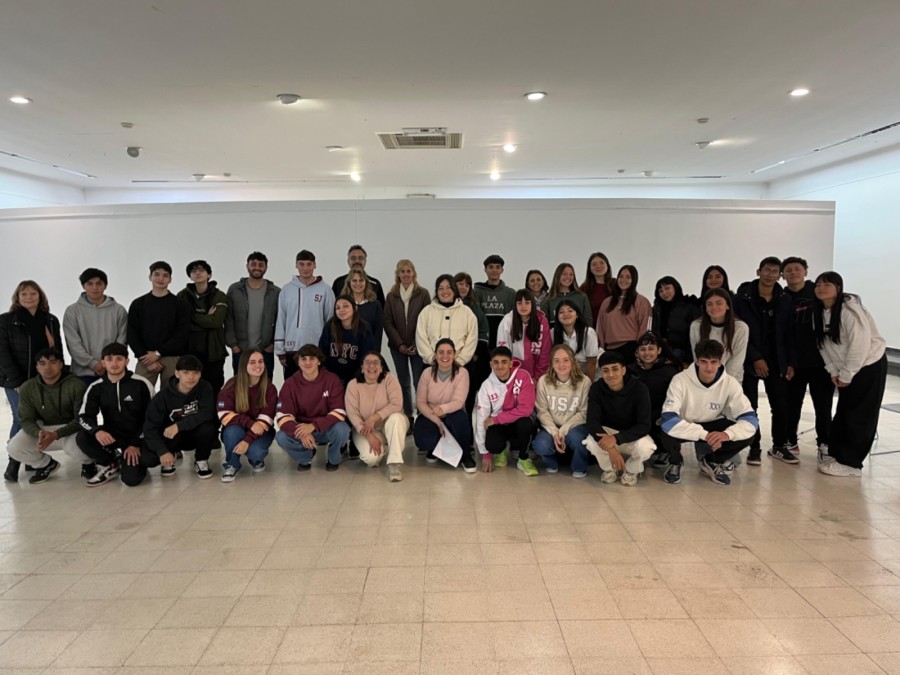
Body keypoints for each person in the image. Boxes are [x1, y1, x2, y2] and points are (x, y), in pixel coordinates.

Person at [813, 272, 887, 477]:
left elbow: (859, 346)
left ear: (838, 287)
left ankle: (851, 464)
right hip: (846, 369)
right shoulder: (820, 311)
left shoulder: (849, 310)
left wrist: (846, 374)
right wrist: (833, 371)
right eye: (818, 284)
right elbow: (823, 345)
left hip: (867, 366)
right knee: (845, 412)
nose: (821, 288)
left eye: (827, 284)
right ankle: (839, 455)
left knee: (860, 415)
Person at [660, 339, 759, 486]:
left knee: (749, 434)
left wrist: (727, 434)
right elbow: (668, 418)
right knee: (664, 429)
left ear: (720, 362)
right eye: (704, 361)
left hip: (712, 424)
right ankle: (676, 462)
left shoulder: (730, 383)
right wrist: (704, 435)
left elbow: (750, 418)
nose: (709, 367)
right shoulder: (680, 379)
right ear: (697, 361)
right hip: (686, 423)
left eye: (713, 362)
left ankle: (712, 460)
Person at [733, 257, 796, 466]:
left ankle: (778, 445)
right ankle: (754, 446)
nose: (770, 275)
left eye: (775, 272)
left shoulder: (785, 300)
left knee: (780, 405)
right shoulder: (742, 299)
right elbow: (738, 333)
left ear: (780, 275)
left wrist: (790, 362)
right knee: (749, 406)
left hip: (777, 361)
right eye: (766, 270)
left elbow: (789, 334)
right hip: (749, 361)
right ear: (758, 271)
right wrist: (755, 358)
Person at [0, 280, 63, 481]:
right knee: (21, 418)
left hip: (43, 379)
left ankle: (32, 459)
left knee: (39, 419)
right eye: (24, 294)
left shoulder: (50, 320)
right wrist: (17, 380)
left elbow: (57, 352)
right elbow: (3, 353)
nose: (29, 297)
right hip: (15, 380)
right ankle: (13, 461)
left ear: (40, 296)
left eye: (33, 294)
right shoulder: (6, 320)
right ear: (17, 298)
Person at [123, 354, 218, 485]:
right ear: (177, 374)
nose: (191, 377)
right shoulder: (163, 397)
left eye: (195, 373)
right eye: (186, 372)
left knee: (208, 427)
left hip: (194, 434)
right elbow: (150, 427)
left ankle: (201, 460)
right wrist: (163, 452)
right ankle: (170, 457)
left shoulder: (205, 388)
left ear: (200, 374)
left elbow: (207, 413)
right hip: (171, 438)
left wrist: (179, 426)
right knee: (148, 459)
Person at [6, 348, 90, 484]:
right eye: (42, 363)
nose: (48, 367)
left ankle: (89, 463)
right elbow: (26, 419)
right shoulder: (28, 387)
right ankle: (45, 464)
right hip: (43, 429)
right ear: (37, 367)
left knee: (77, 448)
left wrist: (56, 434)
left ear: (61, 364)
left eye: (52, 362)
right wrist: (37, 432)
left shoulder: (76, 385)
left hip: (70, 430)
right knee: (14, 447)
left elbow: (81, 419)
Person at [76, 342, 154, 487]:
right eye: (109, 359)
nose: (114, 363)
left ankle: (133, 462)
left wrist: (135, 443)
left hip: (139, 438)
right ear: (103, 363)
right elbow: (83, 417)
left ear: (127, 361)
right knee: (83, 437)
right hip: (113, 436)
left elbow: (153, 419)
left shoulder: (141, 384)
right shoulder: (96, 387)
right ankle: (111, 464)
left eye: (119, 359)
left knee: (132, 479)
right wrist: (97, 431)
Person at [782, 256, 833, 458]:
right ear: (783, 275)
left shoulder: (817, 293)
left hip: (822, 362)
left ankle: (824, 444)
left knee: (823, 406)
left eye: (797, 269)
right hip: (795, 363)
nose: (793, 273)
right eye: (789, 270)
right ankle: (790, 441)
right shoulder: (782, 297)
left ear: (806, 271)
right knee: (792, 405)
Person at [581, 350, 655, 486]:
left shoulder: (639, 388)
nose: (611, 375)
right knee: (591, 442)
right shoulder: (597, 389)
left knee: (646, 447)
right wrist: (611, 449)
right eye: (605, 371)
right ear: (601, 373)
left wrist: (616, 439)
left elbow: (644, 425)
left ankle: (632, 470)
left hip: (631, 434)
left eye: (615, 369)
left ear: (623, 370)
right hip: (607, 432)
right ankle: (610, 469)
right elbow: (592, 422)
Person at [274, 344, 351, 472]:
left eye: (312, 358)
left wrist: (313, 426)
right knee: (281, 436)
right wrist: (301, 432)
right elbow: (282, 416)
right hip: (301, 428)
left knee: (342, 429)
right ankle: (305, 456)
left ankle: (333, 459)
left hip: (325, 428)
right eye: (303, 359)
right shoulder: (290, 384)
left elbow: (339, 412)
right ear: (298, 362)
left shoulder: (331, 380)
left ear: (319, 361)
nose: (308, 362)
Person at [414, 338, 477, 473]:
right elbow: (420, 402)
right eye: (441, 352)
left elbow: (459, 401)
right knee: (422, 440)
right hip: (432, 414)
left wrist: (443, 408)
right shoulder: (427, 373)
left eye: (449, 352)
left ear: (454, 355)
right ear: (435, 355)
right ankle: (434, 449)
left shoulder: (462, 373)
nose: (445, 356)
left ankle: (465, 454)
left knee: (461, 421)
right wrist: (437, 421)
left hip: (453, 412)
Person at [345, 351, 409, 481]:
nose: (371, 366)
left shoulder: (389, 379)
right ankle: (387, 447)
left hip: (389, 424)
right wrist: (369, 435)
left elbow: (397, 404)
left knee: (396, 418)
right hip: (366, 429)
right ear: (362, 368)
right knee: (371, 460)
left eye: (376, 363)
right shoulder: (353, 385)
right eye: (367, 363)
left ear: (381, 368)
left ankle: (394, 464)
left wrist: (374, 417)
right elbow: (352, 414)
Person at [126, 261, 191, 388]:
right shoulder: (138, 304)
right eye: (156, 274)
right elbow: (132, 333)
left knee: (172, 396)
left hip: (172, 357)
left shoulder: (180, 305)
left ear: (170, 279)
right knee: (139, 394)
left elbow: (182, 335)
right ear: (150, 277)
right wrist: (144, 357)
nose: (160, 279)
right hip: (145, 358)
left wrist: (158, 353)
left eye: (165, 275)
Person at [218, 349, 277, 482]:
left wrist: (247, 441)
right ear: (244, 365)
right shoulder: (231, 385)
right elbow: (224, 415)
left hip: (261, 431)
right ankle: (232, 464)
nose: (258, 366)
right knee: (232, 431)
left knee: (256, 452)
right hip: (237, 428)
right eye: (252, 362)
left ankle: (255, 460)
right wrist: (250, 423)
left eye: (260, 361)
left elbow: (267, 419)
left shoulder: (269, 388)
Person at [383, 259, 431, 427]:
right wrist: (400, 345)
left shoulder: (423, 294)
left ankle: (422, 415)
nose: (405, 274)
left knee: (419, 382)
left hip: (418, 347)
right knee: (403, 382)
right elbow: (387, 322)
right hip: (398, 347)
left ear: (413, 273)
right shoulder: (391, 296)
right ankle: (409, 416)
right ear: (398, 274)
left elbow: (427, 321)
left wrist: (418, 344)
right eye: (402, 271)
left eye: (408, 271)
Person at [475, 346, 536, 475]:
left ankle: (523, 459)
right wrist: (485, 454)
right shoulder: (486, 385)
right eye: (496, 362)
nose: (500, 366)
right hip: (500, 424)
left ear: (510, 363)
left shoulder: (523, 376)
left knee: (526, 424)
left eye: (504, 362)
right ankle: (500, 450)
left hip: (517, 421)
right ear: (491, 364)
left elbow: (526, 409)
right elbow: (481, 418)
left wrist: (496, 419)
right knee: (492, 445)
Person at [274, 250, 335, 379]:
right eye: (301, 264)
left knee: (316, 389)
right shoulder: (287, 290)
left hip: (317, 349)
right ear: (296, 265)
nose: (305, 268)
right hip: (293, 348)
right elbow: (281, 319)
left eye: (309, 264)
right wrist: (280, 350)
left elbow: (331, 321)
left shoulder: (325, 290)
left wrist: (329, 348)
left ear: (315, 265)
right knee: (292, 389)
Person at [532, 344, 591, 477]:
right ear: (551, 363)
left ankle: (579, 467)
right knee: (541, 444)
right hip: (551, 427)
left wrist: (563, 430)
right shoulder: (543, 381)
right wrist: (554, 432)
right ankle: (551, 463)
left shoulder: (584, 381)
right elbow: (542, 411)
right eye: (556, 361)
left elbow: (584, 412)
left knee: (577, 439)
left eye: (566, 360)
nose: (561, 365)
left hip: (574, 426)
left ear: (572, 361)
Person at [63, 268, 128, 386]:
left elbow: (121, 340)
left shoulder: (119, 310)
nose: (95, 287)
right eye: (90, 284)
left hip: (112, 372)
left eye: (99, 283)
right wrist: (92, 364)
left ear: (105, 286)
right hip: (82, 374)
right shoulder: (72, 311)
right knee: (83, 405)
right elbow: (73, 343)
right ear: (83, 286)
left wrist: (108, 363)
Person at [627, 332, 680, 468]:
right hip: (637, 413)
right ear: (637, 352)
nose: (647, 353)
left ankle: (665, 451)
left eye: (651, 348)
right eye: (643, 349)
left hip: (660, 414)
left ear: (659, 350)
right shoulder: (630, 371)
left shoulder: (669, 371)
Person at [225, 251, 280, 380]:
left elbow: (280, 320)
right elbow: (228, 318)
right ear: (247, 266)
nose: (257, 267)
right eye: (253, 264)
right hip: (241, 349)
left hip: (265, 349)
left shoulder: (275, 292)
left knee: (265, 386)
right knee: (240, 385)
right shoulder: (235, 290)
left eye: (261, 265)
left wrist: (272, 345)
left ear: (266, 268)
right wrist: (233, 345)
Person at [177, 260, 229, 397]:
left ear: (209, 275)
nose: (198, 273)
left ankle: (213, 417)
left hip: (213, 352)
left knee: (214, 388)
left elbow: (216, 322)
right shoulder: (182, 296)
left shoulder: (220, 295)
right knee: (190, 390)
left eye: (201, 270)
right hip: (189, 351)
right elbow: (181, 322)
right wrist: (206, 317)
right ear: (190, 276)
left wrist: (192, 316)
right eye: (194, 271)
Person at [415, 274, 478, 367]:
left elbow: (472, 339)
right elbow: (421, 338)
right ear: (436, 291)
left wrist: (460, 361)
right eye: (441, 288)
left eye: (448, 287)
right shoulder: (426, 312)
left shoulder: (467, 312)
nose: (445, 291)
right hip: (432, 366)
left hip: (460, 366)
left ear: (454, 290)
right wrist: (432, 359)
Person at [689, 288, 749, 381]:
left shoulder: (740, 328)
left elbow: (737, 361)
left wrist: (723, 383)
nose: (714, 307)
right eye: (709, 304)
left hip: (731, 380)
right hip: (705, 380)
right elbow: (698, 358)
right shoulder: (696, 326)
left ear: (728, 306)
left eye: (719, 303)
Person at [596, 265, 652, 363]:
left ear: (634, 280)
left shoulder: (641, 301)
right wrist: (601, 349)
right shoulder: (607, 302)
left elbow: (645, 329)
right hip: (609, 349)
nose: (623, 280)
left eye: (628, 277)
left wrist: (641, 349)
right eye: (621, 276)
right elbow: (600, 328)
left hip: (631, 349)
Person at [454, 272, 490, 415]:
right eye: (461, 284)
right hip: (449, 357)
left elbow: (483, 329)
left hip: (469, 358)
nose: (464, 287)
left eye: (467, 285)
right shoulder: (444, 305)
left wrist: (475, 353)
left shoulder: (473, 307)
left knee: (468, 392)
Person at [318, 295, 374, 387]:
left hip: (356, 379)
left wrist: (357, 379)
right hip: (331, 378)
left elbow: (367, 356)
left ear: (355, 308)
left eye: (346, 306)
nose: (341, 310)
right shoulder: (329, 326)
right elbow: (322, 353)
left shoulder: (364, 328)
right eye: (337, 307)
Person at [496, 289, 552, 380]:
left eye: (527, 302)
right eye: (519, 303)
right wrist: (510, 377)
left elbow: (545, 353)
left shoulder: (541, 321)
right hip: (512, 376)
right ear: (515, 305)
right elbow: (502, 353)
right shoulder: (507, 321)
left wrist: (537, 378)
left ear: (532, 304)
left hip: (537, 377)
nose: (523, 306)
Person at [651, 276, 701, 365]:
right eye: (660, 291)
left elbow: (695, 335)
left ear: (675, 287)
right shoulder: (656, 309)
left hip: (682, 353)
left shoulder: (689, 307)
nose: (664, 293)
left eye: (667, 288)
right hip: (660, 353)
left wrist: (688, 359)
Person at [474, 254, 516, 348]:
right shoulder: (476, 292)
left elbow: (514, 320)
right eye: (491, 267)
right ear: (485, 269)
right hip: (482, 341)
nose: (494, 270)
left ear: (502, 270)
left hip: (504, 340)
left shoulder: (511, 293)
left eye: (497, 267)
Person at [553, 299, 601, 381]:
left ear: (577, 315)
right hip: (571, 376)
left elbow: (592, 364)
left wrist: (588, 387)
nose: (566, 314)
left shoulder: (588, 332)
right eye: (561, 312)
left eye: (570, 311)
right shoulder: (552, 333)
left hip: (593, 374)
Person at [342, 268, 384, 352]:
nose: (358, 283)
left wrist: (375, 353)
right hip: (347, 352)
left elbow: (378, 333)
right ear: (349, 283)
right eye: (354, 280)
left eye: (361, 280)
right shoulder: (342, 304)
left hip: (368, 351)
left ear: (366, 283)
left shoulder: (375, 305)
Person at [541, 262, 592, 328]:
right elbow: (544, 327)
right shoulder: (548, 300)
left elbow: (588, 323)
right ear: (558, 276)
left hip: (579, 337)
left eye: (571, 274)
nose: (568, 277)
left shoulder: (582, 297)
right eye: (564, 274)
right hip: (555, 337)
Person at [580, 252, 614, 323]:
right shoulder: (584, 288)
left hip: (615, 328)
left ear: (607, 266)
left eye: (601, 263)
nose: (598, 266)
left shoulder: (616, 284)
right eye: (594, 264)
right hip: (593, 330)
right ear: (590, 269)